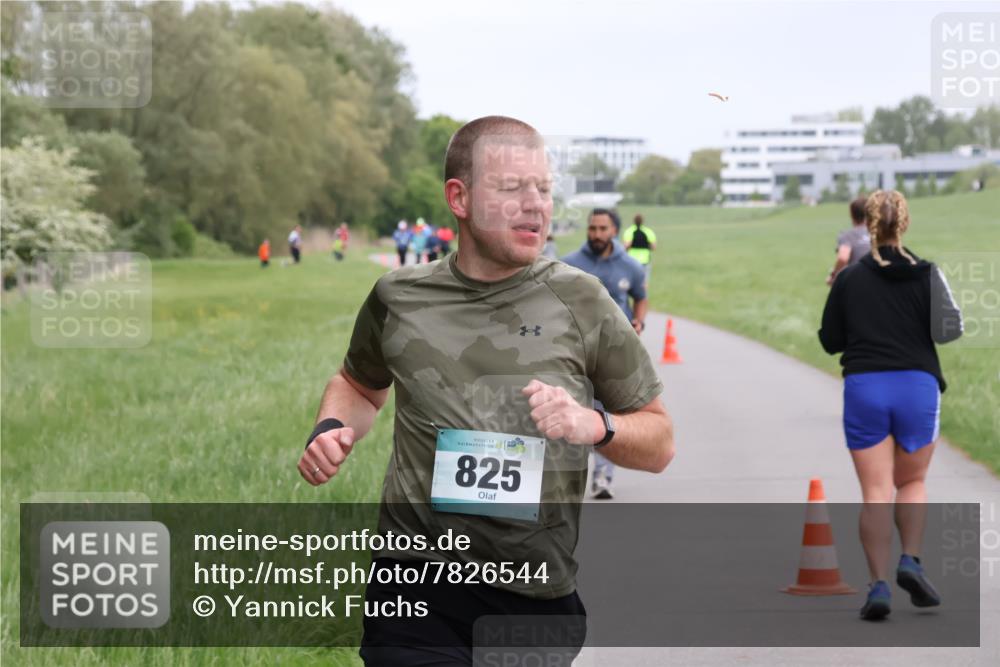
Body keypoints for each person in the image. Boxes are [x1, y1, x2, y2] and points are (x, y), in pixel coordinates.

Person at [297, 116, 674, 665]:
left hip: (532, 594)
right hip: (414, 578)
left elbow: (660, 442)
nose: (535, 205)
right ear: (460, 198)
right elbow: (358, 384)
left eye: (543, 189)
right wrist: (332, 427)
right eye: (512, 188)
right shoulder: (398, 298)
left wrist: (595, 425)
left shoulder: (583, 301)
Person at [819, 189, 963, 621]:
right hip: (917, 386)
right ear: (905, 223)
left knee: (876, 491)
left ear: (867, 225)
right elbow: (950, 330)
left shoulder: (849, 278)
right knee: (912, 481)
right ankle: (911, 561)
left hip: (865, 387)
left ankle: (878, 586)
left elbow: (830, 340)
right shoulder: (928, 273)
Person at [562, 208, 649, 500]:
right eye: (592, 228)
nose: (596, 234)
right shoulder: (569, 264)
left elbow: (641, 298)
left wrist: (639, 322)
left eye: (603, 229)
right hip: (575, 352)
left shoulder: (631, 266)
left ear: (614, 231)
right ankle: (565, 477)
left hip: (614, 354)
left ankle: (602, 475)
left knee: (604, 415)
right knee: (571, 412)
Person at [826, 197, 871, 286]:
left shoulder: (847, 236)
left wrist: (833, 276)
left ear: (851, 214)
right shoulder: (880, 234)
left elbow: (843, 258)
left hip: (858, 284)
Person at [621, 213, 656, 284]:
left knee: (631, 282)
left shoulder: (629, 231)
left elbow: (626, 246)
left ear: (634, 221)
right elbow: (653, 247)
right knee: (644, 282)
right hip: (645, 260)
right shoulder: (648, 231)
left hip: (631, 260)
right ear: (643, 221)